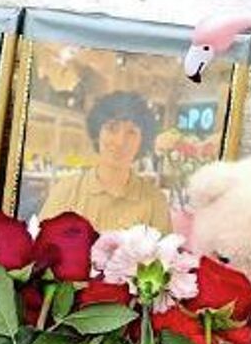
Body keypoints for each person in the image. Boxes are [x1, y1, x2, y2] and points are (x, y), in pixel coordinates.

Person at [40, 88, 172, 234]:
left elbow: (164, 249)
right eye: (112, 128)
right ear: (97, 133)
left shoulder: (155, 202)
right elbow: (41, 244)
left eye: (131, 132)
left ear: (143, 140)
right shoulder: (66, 192)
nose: (120, 141)